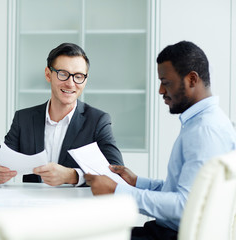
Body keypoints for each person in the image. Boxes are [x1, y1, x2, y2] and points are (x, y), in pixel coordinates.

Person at [85, 41, 236, 239]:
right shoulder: (209, 122)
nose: (161, 91)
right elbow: (185, 190)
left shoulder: (204, 131)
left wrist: (118, 192)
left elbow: (186, 205)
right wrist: (136, 182)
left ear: (192, 79)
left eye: (166, 82)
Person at [0, 42, 123, 186]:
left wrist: (73, 176)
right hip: (32, 205)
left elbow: (117, 172)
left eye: (79, 76)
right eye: (63, 74)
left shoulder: (97, 121)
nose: (70, 83)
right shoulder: (24, 119)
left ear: (85, 80)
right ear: (48, 74)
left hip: (76, 205)